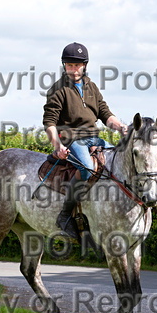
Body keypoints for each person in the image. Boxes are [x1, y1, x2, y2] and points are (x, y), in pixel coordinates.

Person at [43, 42, 128, 239]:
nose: (73, 69)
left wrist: (121, 126)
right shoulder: (58, 89)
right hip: (73, 141)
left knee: (118, 159)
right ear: (64, 65)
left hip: (94, 138)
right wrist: (58, 146)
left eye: (77, 65)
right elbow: (50, 123)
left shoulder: (92, 87)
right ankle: (65, 216)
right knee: (87, 167)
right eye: (69, 65)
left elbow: (106, 115)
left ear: (85, 65)